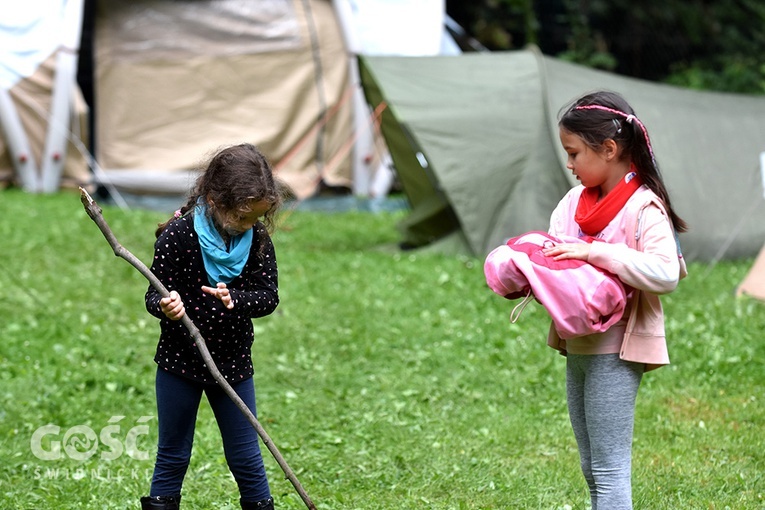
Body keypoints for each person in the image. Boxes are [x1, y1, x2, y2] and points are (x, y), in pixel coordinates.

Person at [542, 91, 688, 509]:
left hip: (616, 351)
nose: (568, 164)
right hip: (578, 346)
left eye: (573, 153)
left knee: (608, 470)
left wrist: (596, 253)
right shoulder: (572, 203)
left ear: (608, 149)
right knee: (591, 467)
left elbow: (665, 273)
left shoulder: (644, 207)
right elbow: (557, 261)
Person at [141, 143, 283, 510]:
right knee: (173, 454)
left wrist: (239, 299)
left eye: (256, 219)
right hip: (179, 363)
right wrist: (166, 306)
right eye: (242, 217)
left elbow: (268, 296)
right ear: (216, 200)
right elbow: (152, 296)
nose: (249, 226)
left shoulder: (258, 242)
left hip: (232, 363)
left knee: (245, 456)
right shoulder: (178, 234)